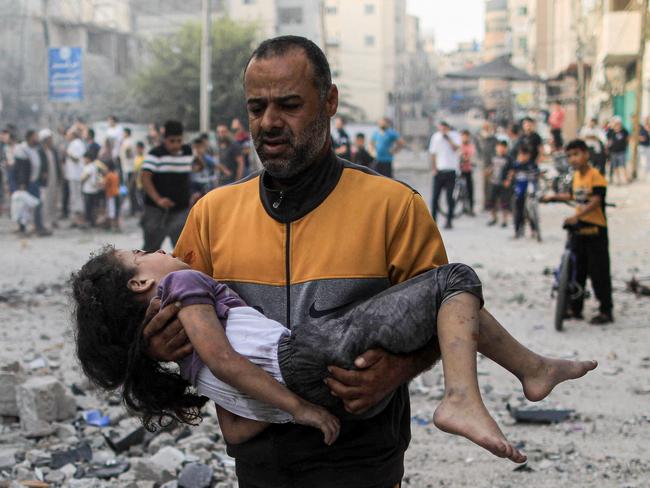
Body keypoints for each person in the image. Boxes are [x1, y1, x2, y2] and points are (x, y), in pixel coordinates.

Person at [143, 35, 574, 487]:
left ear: (329, 101)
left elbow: (445, 319)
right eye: (256, 108)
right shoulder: (212, 214)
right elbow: (172, 321)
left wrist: (395, 371)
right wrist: (156, 344)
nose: (269, 122)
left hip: (364, 456)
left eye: (289, 105)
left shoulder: (393, 206)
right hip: (259, 459)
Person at [72, 247, 598, 464]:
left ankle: (533, 369)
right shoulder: (185, 282)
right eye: (143, 252)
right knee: (455, 282)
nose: (159, 248)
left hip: (327, 393)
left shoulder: (186, 363)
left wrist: (301, 407)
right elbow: (230, 359)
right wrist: (302, 406)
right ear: (143, 280)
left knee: (452, 309)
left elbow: (235, 429)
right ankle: (461, 398)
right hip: (306, 356)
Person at [542, 139, 613, 325]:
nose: (573, 159)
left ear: (586, 154)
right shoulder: (577, 177)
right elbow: (575, 196)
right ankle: (576, 308)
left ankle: (606, 311)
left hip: (596, 231)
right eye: (570, 156)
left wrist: (577, 215)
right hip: (579, 231)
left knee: (599, 273)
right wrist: (553, 197)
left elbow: (596, 200)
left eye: (576, 154)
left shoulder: (595, 176)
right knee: (577, 270)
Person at [140, 120, 193, 251]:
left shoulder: (187, 152)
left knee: (183, 250)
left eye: (179, 141)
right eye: (172, 141)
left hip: (180, 210)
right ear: (165, 140)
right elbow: (145, 178)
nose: (176, 145)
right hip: (156, 211)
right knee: (151, 250)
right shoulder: (155, 154)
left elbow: (197, 166)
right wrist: (158, 199)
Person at [13, 130, 51, 236]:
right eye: (35, 137)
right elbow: (20, 168)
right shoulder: (22, 149)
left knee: (37, 204)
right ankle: (23, 227)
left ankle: (38, 226)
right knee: (24, 205)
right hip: (26, 182)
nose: (37, 139)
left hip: (35, 181)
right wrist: (21, 183)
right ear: (29, 137)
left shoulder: (36, 149)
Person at [429, 121, 461, 229]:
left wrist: (448, 138)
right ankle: (433, 221)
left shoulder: (455, 135)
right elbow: (433, 153)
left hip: (451, 170)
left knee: (449, 197)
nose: (442, 130)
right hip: (439, 171)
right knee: (435, 197)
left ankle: (449, 220)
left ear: (447, 128)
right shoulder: (435, 137)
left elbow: (456, 148)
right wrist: (433, 168)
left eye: (444, 128)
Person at [506, 144, 537, 239]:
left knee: (530, 211)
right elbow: (510, 174)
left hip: (530, 190)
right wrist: (509, 179)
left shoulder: (532, 165)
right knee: (518, 211)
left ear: (529, 155)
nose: (523, 157)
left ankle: (534, 230)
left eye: (525, 154)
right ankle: (517, 230)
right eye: (521, 155)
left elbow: (537, 174)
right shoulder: (516, 165)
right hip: (520, 190)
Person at [37, 129, 62, 230]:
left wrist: (60, 176)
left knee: (54, 200)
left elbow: (57, 165)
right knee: (46, 200)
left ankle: (53, 220)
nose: (51, 140)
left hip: (54, 178)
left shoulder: (53, 150)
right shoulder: (40, 151)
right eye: (50, 138)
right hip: (45, 180)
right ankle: (46, 221)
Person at [486, 140, 513, 227]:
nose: (501, 149)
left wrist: (508, 180)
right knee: (491, 201)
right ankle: (494, 218)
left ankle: (504, 220)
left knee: (504, 202)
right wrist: (488, 173)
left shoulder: (509, 158)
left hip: (503, 183)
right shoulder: (493, 157)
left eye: (503, 147)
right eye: (499, 147)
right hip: (494, 182)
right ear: (496, 148)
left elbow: (511, 170)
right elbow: (490, 167)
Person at [80, 152, 104, 228]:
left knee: (88, 208)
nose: (84, 160)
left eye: (85, 158)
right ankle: (93, 222)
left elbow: (85, 177)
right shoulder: (94, 166)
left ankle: (89, 222)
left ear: (88, 159)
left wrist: (81, 181)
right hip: (94, 190)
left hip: (88, 190)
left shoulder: (89, 167)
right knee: (94, 207)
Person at [120, 127, 139, 216]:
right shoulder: (130, 141)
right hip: (128, 167)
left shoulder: (128, 141)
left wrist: (127, 155)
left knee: (130, 189)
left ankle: (133, 209)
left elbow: (129, 152)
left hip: (129, 168)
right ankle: (134, 208)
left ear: (127, 133)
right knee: (130, 189)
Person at [606, 116, 628, 184]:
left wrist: (625, 146)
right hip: (613, 151)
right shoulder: (611, 131)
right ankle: (618, 180)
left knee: (623, 165)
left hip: (622, 151)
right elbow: (609, 141)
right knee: (615, 166)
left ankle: (625, 179)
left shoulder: (624, 131)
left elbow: (628, 139)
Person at [459, 130, 476, 216]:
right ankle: (462, 206)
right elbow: (457, 154)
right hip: (460, 170)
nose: (465, 138)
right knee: (459, 188)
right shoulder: (459, 145)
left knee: (470, 190)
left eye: (466, 136)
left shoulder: (471, 146)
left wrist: (466, 158)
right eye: (463, 136)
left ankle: (471, 208)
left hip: (468, 170)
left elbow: (471, 155)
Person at [104, 160, 121, 232]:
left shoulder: (108, 175)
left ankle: (112, 226)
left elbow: (105, 184)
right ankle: (117, 226)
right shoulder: (116, 175)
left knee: (111, 211)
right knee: (116, 211)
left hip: (111, 195)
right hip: (117, 193)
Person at [638, 116, 650, 180]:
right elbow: (639, 137)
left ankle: (647, 175)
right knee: (643, 162)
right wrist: (641, 138)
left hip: (648, 146)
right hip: (642, 146)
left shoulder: (648, 128)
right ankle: (643, 175)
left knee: (648, 162)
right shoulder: (641, 128)